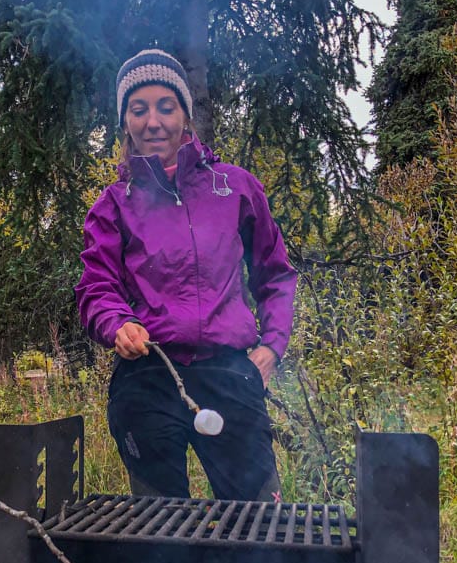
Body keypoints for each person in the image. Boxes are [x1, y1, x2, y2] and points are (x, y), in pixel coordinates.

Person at [75, 49, 298, 502]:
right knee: (162, 529)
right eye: (139, 110)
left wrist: (272, 347)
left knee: (259, 522)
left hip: (229, 373)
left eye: (165, 106)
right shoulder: (114, 204)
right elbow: (97, 287)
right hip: (148, 375)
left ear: (185, 116)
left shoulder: (235, 187)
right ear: (126, 123)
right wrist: (119, 324)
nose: (153, 121)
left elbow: (275, 275)